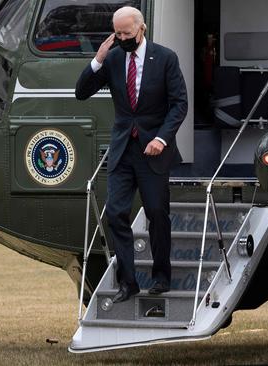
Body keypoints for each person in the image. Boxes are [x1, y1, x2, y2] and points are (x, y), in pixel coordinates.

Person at [75, 6, 188, 303]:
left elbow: (179, 104)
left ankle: (161, 276)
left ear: (142, 29)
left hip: (154, 151)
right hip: (123, 150)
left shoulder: (165, 58)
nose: (122, 38)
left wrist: (162, 138)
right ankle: (128, 282)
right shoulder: (112, 59)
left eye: (126, 33)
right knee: (115, 213)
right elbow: (81, 92)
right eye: (118, 33)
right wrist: (97, 60)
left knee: (156, 214)